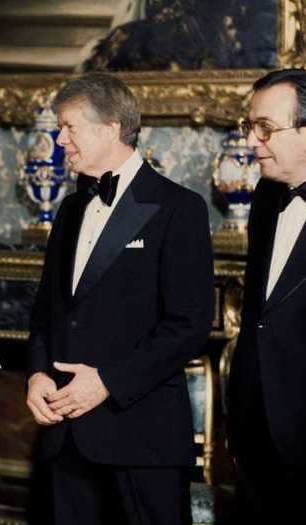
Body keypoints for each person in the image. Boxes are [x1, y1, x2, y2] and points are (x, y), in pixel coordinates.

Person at [26, 73, 214, 525]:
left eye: (69, 127)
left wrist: (107, 381)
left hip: (140, 434)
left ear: (111, 128)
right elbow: (48, 311)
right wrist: (36, 373)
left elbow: (189, 326)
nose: (59, 139)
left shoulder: (179, 208)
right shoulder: (71, 209)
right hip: (64, 436)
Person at [228, 68, 306, 523]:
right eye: (250, 127)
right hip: (257, 435)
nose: (252, 141)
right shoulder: (266, 196)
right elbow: (260, 316)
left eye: (265, 128)